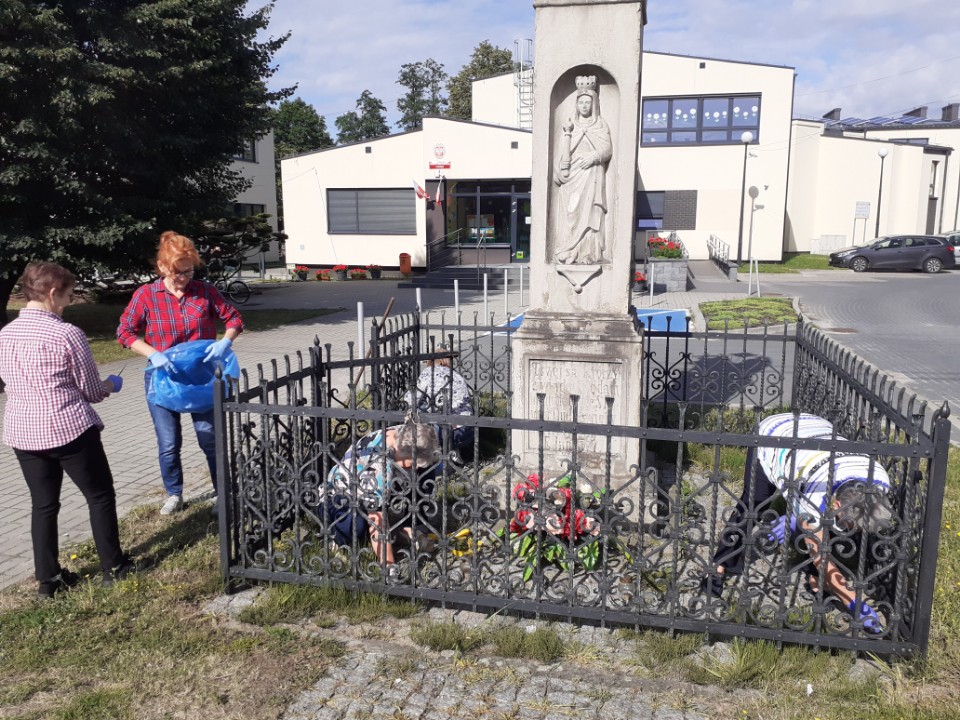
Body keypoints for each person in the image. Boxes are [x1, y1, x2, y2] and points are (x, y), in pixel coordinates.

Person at [0, 263, 136, 597]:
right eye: (69, 295)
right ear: (51, 293)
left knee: (43, 505)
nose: (69, 301)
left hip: (24, 432)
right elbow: (91, 391)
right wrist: (111, 384)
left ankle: (48, 581)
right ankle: (113, 567)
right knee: (99, 495)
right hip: (68, 429)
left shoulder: (5, 333)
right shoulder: (66, 333)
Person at [701, 412, 895, 634]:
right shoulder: (814, 494)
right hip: (775, 436)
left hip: (816, 436)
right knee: (754, 505)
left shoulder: (879, 481)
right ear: (837, 503)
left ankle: (815, 580)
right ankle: (718, 565)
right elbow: (821, 555)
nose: (856, 531)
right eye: (854, 526)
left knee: (820, 525)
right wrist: (855, 604)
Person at [117, 230, 243, 515]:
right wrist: (153, 354)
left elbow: (233, 318)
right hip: (163, 378)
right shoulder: (146, 295)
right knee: (168, 442)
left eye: (189, 271)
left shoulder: (205, 291)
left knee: (209, 438)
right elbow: (124, 332)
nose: (184, 278)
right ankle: (174, 493)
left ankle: (222, 491)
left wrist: (225, 342)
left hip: (201, 378)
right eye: (178, 273)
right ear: (162, 267)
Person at [325, 422, 439, 566]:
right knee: (357, 525)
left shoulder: (405, 434)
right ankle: (338, 540)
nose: (413, 469)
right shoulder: (379, 467)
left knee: (425, 469)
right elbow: (376, 519)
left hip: (371, 490)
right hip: (340, 499)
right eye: (411, 464)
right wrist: (389, 565)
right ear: (401, 451)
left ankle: (412, 528)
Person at [554, 75, 613, 265]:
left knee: (591, 214)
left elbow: (607, 149)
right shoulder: (570, 126)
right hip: (573, 177)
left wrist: (593, 157)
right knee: (571, 213)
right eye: (581, 102)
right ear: (576, 104)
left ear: (594, 104)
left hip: (593, 174)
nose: (584, 106)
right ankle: (570, 250)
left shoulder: (600, 124)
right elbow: (562, 154)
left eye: (588, 102)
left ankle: (588, 253)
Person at [409, 345, 474, 460]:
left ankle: (435, 455)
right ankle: (452, 450)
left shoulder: (429, 372)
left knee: (419, 408)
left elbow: (411, 399)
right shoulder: (456, 375)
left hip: (443, 431)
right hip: (467, 430)